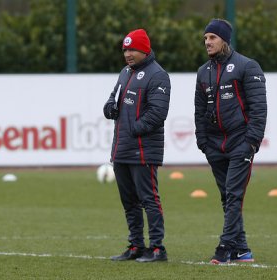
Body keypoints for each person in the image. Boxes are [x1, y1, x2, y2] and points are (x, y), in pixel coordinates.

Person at [194, 19, 267, 264]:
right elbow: (199, 110)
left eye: (212, 38)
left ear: (224, 39)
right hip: (214, 146)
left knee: (234, 195)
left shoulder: (247, 66)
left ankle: (225, 247)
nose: (207, 42)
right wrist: (202, 140)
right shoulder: (203, 71)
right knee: (227, 197)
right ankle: (242, 249)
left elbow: (259, 109)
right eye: (205, 38)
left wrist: (252, 141)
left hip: (240, 143)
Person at [103, 29, 171, 262]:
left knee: (148, 199)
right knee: (129, 201)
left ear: (145, 50)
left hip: (143, 149)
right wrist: (109, 107)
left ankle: (157, 248)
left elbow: (158, 113)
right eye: (125, 50)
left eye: (133, 49)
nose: (128, 54)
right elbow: (113, 99)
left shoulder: (158, 75)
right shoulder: (125, 73)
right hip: (121, 148)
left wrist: (133, 128)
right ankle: (135, 245)